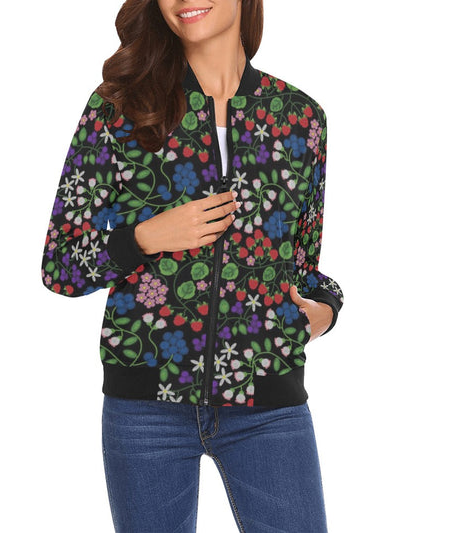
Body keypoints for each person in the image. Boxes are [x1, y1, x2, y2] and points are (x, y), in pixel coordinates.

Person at [41, 0, 344, 531]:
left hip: (268, 401)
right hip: (146, 408)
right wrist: (145, 237)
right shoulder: (121, 109)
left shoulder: (300, 119)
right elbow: (60, 264)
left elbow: (302, 266)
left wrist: (326, 307)